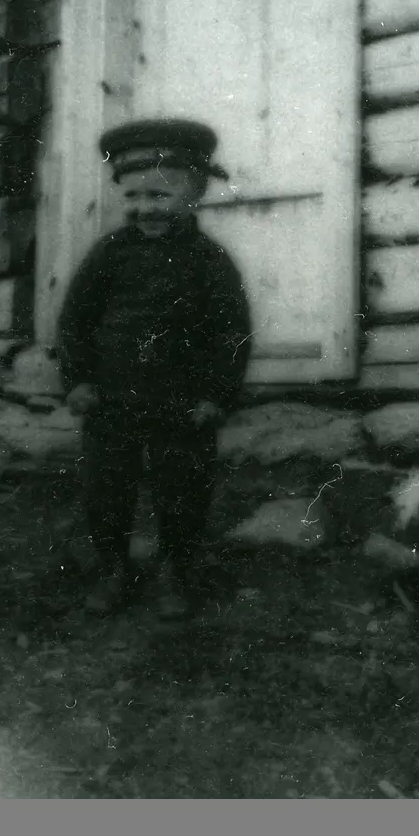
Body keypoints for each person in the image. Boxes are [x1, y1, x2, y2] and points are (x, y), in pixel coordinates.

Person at [55, 118, 253, 621]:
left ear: (195, 193)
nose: (145, 209)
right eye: (135, 197)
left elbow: (233, 334)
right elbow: (76, 321)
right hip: (111, 399)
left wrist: (216, 395)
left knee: (183, 491)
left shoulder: (209, 262)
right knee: (106, 490)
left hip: (182, 404)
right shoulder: (109, 256)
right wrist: (77, 379)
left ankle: (176, 570)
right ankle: (112, 567)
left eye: (160, 197)